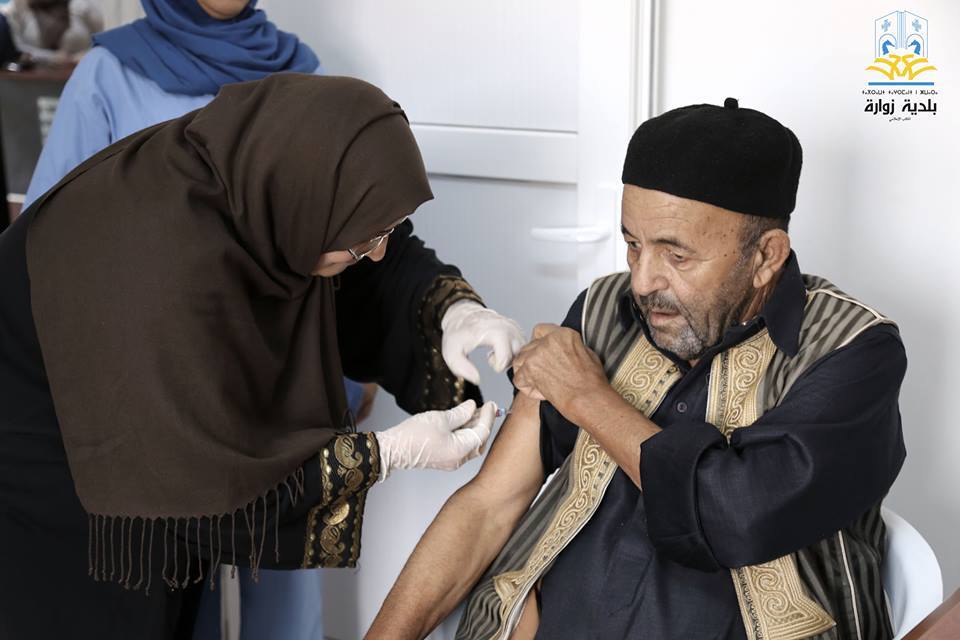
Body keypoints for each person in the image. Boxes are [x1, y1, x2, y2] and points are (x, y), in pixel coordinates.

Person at [0, 73, 525, 640]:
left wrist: (451, 310)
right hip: (60, 476)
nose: (376, 254)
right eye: (363, 243)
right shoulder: (157, 264)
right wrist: (386, 454)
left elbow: (379, 260)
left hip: (141, 433)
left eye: (385, 233)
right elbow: (200, 470)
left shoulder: (266, 180)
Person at [369, 98, 907, 640]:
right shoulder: (603, 311)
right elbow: (490, 503)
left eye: (677, 256)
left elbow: (735, 517)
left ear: (766, 256)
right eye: (633, 245)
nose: (643, 282)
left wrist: (586, 397)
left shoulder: (851, 350)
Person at [21, 2, 366, 636]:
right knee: (165, 592)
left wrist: (344, 376)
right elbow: (51, 243)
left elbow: (335, 236)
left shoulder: (301, 73)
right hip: (154, 402)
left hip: (273, 395)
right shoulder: (109, 74)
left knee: (275, 598)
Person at [0, 0, 102, 66]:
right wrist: (53, 58)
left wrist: (84, 56)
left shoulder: (82, 5)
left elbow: (98, 40)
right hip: (33, 79)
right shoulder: (18, 7)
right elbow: (17, 46)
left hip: (81, 71)